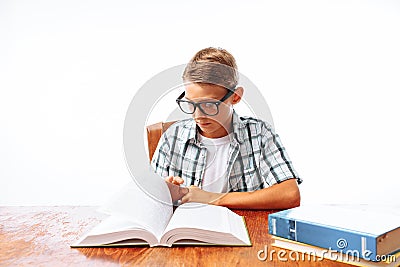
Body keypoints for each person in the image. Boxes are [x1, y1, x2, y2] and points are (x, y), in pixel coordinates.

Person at [151, 47, 302, 209]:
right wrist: (164, 191)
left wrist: (212, 198)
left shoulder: (259, 134)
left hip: (237, 230)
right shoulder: (173, 137)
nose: (198, 115)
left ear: (236, 96)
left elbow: (290, 194)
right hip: (186, 231)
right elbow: (148, 198)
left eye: (209, 104)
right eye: (190, 104)